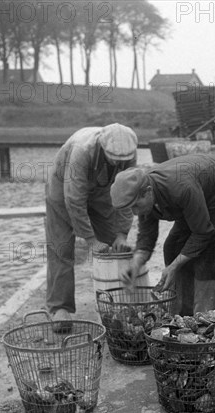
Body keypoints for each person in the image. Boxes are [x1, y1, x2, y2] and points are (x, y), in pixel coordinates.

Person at [110, 154, 215, 315]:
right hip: (197, 196)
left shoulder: (181, 188)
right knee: (172, 247)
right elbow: (146, 237)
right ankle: (183, 314)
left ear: (148, 192)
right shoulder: (143, 193)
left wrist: (174, 267)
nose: (135, 213)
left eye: (136, 206)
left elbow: (203, 233)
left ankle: (205, 318)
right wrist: (135, 265)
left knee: (207, 256)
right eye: (130, 208)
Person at [45, 123, 138, 332]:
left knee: (115, 244)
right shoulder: (82, 151)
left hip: (101, 190)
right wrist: (91, 240)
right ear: (103, 148)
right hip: (63, 189)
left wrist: (122, 234)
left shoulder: (129, 154)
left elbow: (127, 193)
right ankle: (59, 307)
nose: (120, 163)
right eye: (115, 159)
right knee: (62, 247)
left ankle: (116, 300)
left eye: (124, 160)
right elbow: (74, 200)